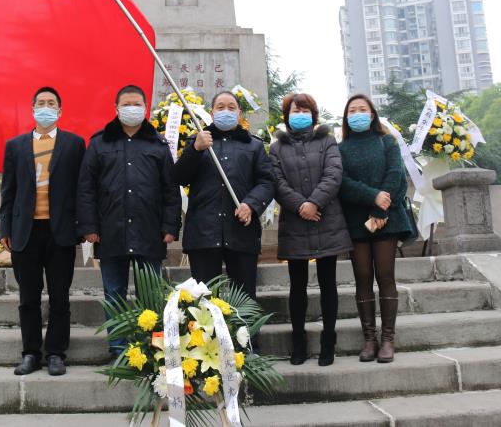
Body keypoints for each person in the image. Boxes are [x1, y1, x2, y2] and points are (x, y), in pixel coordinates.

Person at [78, 85, 181, 359]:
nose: (132, 108)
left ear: (145, 108)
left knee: (151, 295)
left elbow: (170, 189)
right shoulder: (99, 143)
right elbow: (86, 188)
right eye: (126, 104)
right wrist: (89, 227)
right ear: (116, 108)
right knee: (114, 294)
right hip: (110, 231)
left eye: (137, 103)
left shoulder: (158, 145)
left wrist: (171, 226)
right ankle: (118, 348)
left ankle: (152, 348)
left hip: (150, 232)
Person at [0, 86, 86, 376]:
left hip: (60, 231)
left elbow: (81, 189)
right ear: (33, 109)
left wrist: (82, 226)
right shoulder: (16, 146)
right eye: (41, 103)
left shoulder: (75, 144)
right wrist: (6, 229)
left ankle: (56, 353)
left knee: (60, 296)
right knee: (28, 297)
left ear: (60, 111)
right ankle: (30, 353)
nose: (46, 107)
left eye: (51, 103)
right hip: (26, 231)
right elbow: (8, 191)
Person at [269, 93, 351, 367]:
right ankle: (299, 342)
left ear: (313, 114)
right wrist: (300, 205)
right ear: (287, 115)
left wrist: (314, 202)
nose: (300, 113)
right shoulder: (277, 147)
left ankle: (329, 340)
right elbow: (276, 181)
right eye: (295, 109)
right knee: (297, 287)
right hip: (295, 222)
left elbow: (334, 174)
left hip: (327, 220)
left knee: (328, 284)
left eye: (305, 109)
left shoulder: (327, 141)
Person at [173, 91, 275, 302]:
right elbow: (179, 177)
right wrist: (195, 149)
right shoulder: (198, 141)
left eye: (231, 107)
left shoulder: (253, 145)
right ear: (211, 112)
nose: (226, 111)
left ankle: (247, 336)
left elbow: (267, 182)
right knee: (203, 302)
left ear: (239, 113)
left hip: (241, 233)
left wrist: (251, 204)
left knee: (244, 300)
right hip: (203, 234)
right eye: (220, 107)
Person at [338, 94, 412, 363]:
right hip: (356, 220)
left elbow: (396, 175)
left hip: (387, 219)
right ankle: (369, 338)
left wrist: (380, 209)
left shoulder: (387, 141)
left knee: (385, 275)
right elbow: (342, 183)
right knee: (363, 277)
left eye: (362, 109)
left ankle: (388, 340)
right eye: (352, 110)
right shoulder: (341, 148)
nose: (357, 113)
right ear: (347, 117)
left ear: (372, 115)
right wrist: (372, 197)